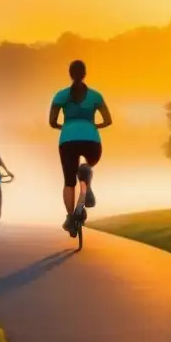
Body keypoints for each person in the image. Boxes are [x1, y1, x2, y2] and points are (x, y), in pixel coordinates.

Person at [49, 59, 112, 236]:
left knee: (69, 181)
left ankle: (70, 218)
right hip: (91, 140)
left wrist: (65, 127)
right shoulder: (95, 96)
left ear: (70, 74)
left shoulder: (60, 96)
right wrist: (92, 127)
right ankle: (86, 180)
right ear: (85, 74)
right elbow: (108, 120)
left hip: (68, 140)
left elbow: (52, 122)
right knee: (86, 166)